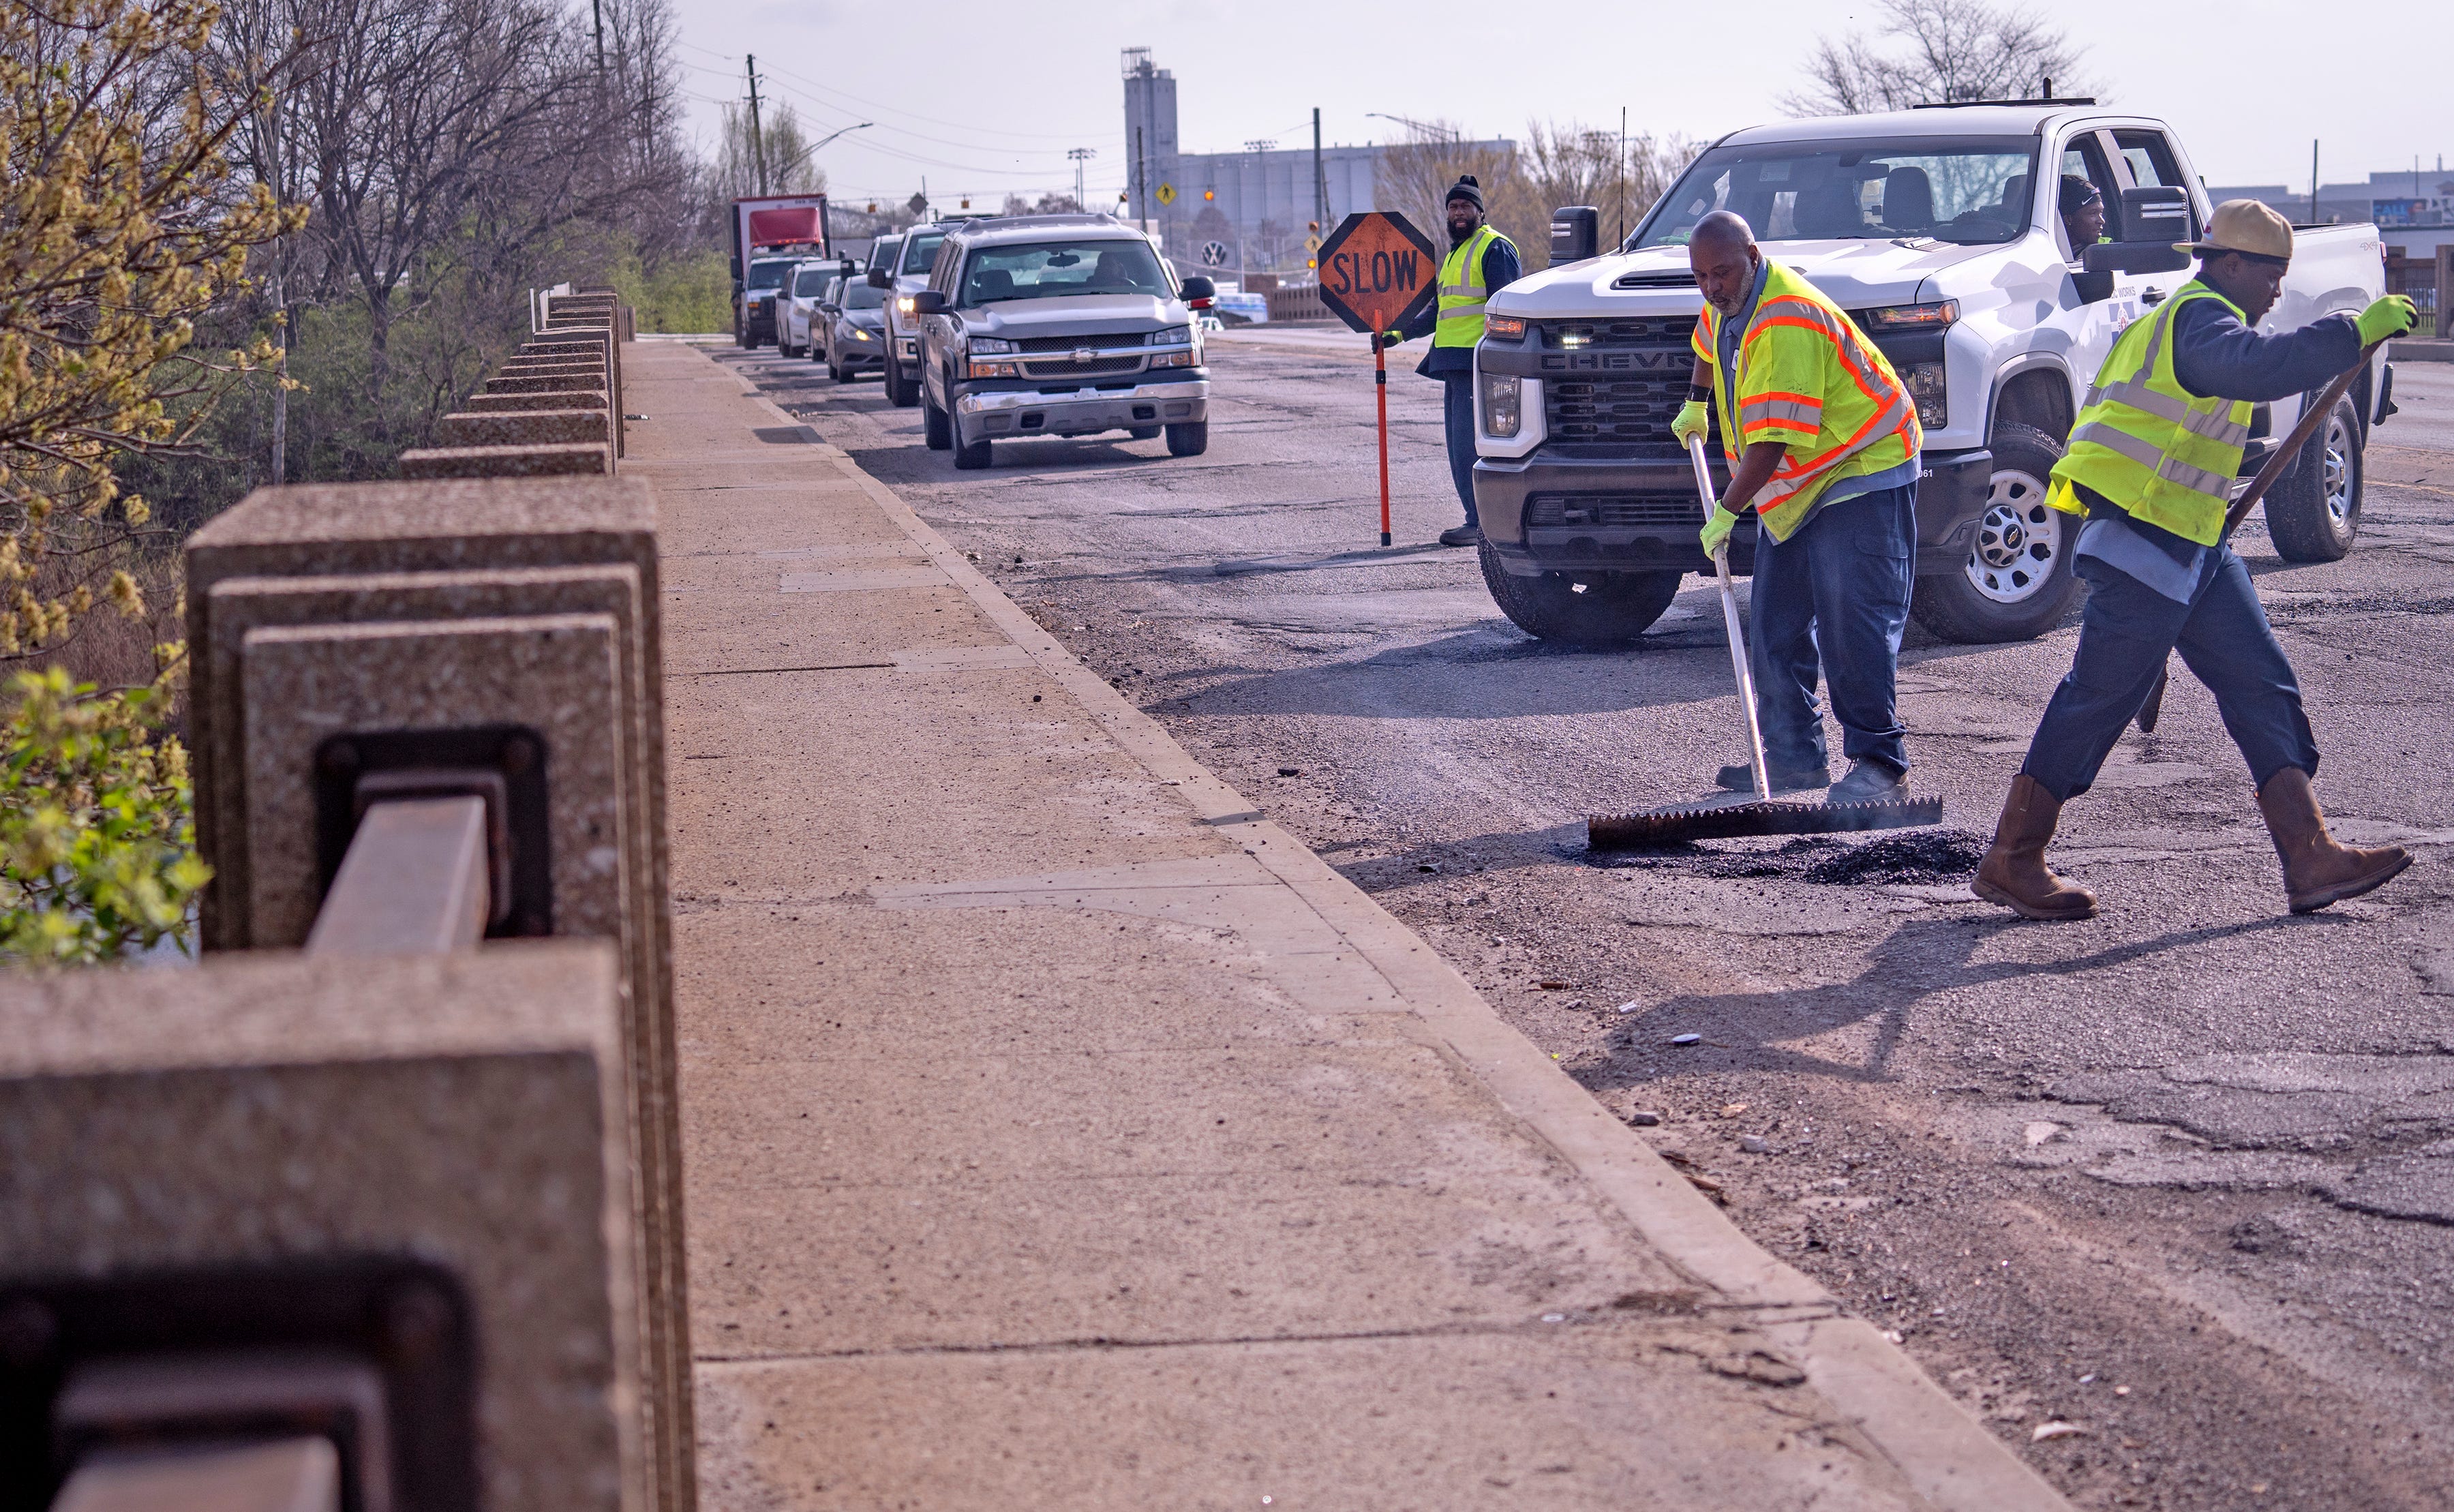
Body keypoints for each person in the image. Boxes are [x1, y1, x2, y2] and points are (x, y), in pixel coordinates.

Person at [1973, 199, 2420, 920]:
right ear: (2233, 265)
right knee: (2099, 697)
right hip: (2144, 538)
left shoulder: (2195, 320)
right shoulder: (2199, 319)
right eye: (2273, 274)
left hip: (2195, 542)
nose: (2278, 289)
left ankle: (2309, 855)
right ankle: (2014, 856)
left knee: (2259, 679)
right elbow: (2256, 368)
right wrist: (2351, 332)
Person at [1672, 209, 1924, 802]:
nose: (1712, 287)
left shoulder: (1785, 320)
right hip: (1801, 481)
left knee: (1851, 618)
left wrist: (1728, 511)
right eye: (1701, 276)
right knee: (1776, 625)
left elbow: (1774, 442)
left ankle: (1881, 764)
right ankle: (1793, 760)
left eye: (1723, 272)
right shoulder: (1727, 302)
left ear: (1753, 258)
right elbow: (1706, 342)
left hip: (1863, 462)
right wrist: (1697, 401)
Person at [1388, 175, 1519, 547]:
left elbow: (1504, 306)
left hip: (1479, 364)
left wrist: (1500, 359)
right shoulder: (1453, 255)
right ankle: (1475, 519)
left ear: (1480, 211)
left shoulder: (1494, 248)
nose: (1458, 213)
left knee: (1471, 447)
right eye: (1453, 207)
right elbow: (1438, 310)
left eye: (1465, 206)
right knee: (1456, 446)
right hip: (1453, 363)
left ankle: (1481, 523)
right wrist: (1397, 334)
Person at [2059, 173, 2107, 254]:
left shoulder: (2104, 256)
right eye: (2093, 213)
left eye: (2101, 213)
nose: (2102, 221)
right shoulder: (2045, 254)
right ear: (2068, 219)